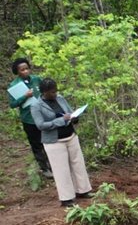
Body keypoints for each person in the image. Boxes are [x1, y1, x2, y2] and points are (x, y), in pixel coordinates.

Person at [26, 77, 92, 208]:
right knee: (61, 169)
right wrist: (61, 120)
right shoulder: (36, 106)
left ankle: (83, 190)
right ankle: (67, 198)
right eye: (52, 92)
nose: (55, 94)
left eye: (55, 91)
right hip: (54, 141)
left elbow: (69, 112)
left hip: (71, 136)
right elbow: (40, 125)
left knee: (78, 164)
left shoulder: (60, 98)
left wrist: (74, 117)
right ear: (44, 92)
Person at [8, 58, 47, 174]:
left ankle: (52, 163)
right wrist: (25, 96)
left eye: (27, 68)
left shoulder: (36, 79)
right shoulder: (14, 85)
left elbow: (45, 91)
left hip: (43, 114)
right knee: (36, 144)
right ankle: (44, 168)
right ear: (17, 72)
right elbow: (12, 104)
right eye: (22, 70)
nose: (25, 71)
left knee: (47, 141)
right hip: (29, 118)